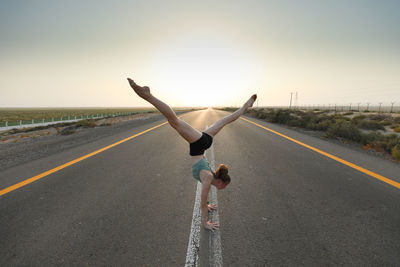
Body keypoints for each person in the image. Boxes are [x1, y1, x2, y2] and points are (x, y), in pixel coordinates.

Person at [127, 77, 257, 231]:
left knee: (225, 120)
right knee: (174, 120)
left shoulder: (209, 178)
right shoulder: (208, 178)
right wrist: (205, 223)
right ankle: (147, 95)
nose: (224, 189)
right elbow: (202, 204)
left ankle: (245, 106)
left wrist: (207, 206)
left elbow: (204, 203)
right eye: (225, 186)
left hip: (203, 143)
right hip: (199, 143)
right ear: (220, 183)